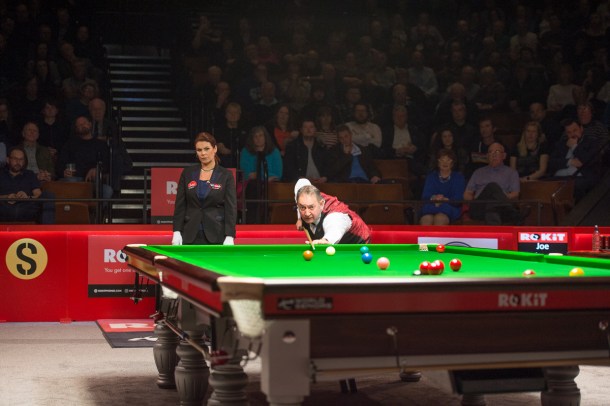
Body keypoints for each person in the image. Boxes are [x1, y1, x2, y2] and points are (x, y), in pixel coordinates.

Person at [171, 132, 236, 245]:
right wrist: (176, 231)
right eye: (199, 150)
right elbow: (180, 205)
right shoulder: (187, 173)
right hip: (190, 233)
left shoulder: (226, 175)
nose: (203, 153)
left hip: (217, 234)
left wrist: (230, 235)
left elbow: (231, 208)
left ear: (215, 149)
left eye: (206, 149)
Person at [293, 178, 370, 245]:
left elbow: (335, 227)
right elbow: (302, 181)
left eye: (311, 207)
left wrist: (326, 240)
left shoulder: (334, 216)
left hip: (357, 244)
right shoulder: (304, 193)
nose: (307, 213)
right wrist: (299, 218)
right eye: (302, 207)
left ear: (321, 204)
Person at [463, 142, 525, 225]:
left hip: (501, 211)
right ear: (487, 156)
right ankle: (515, 215)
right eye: (490, 152)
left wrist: (496, 198)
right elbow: (467, 194)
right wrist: (476, 199)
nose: (493, 155)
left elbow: (515, 194)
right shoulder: (478, 172)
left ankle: (498, 226)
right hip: (480, 207)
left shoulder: (512, 173)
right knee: (492, 186)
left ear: (504, 156)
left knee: (492, 204)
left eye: (497, 152)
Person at [549, 118, 601, 201]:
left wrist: (574, 147)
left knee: (573, 186)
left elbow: (588, 160)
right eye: (569, 132)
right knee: (540, 184)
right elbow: (551, 162)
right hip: (559, 177)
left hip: (579, 178)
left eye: (575, 130)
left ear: (581, 128)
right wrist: (570, 161)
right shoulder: (561, 144)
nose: (572, 134)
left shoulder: (591, 142)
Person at [0, 146, 53, 224]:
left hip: (26, 207)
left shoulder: (30, 174)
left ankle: (48, 229)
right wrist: (6, 197)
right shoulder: (1, 174)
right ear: (8, 160)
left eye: (21, 159)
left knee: (48, 195)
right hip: (4, 207)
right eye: (15, 159)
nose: (18, 162)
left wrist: (27, 197)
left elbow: (38, 195)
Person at [420, 149, 466, 225]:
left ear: (452, 163)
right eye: (442, 160)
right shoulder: (431, 177)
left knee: (440, 218)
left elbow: (458, 199)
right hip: (432, 206)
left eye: (448, 160)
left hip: (450, 207)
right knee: (426, 219)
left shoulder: (458, 177)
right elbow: (425, 196)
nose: (445, 163)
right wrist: (434, 198)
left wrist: (444, 200)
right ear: (438, 162)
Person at [283, 119, 328, 183]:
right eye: (305, 127)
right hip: (300, 183)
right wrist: (300, 178)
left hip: (320, 182)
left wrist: (325, 177)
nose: (308, 130)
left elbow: (328, 165)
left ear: (315, 129)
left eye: (311, 127)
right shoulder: (293, 146)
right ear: (301, 130)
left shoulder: (321, 146)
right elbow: (288, 167)